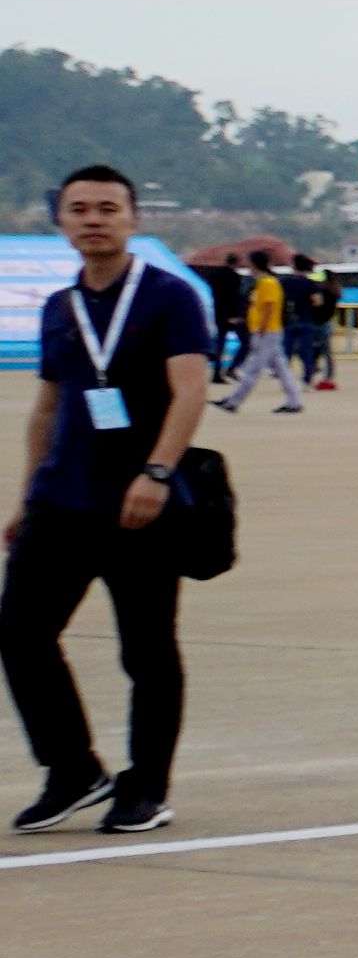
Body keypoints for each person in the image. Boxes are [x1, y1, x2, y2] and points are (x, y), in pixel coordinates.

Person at [9, 167, 214, 837]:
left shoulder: (169, 296)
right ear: (61, 222)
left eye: (107, 208)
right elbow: (47, 407)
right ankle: (72, 769)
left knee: (147, 649)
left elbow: (189, 391)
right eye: (79, 209)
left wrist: (157, 472)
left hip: (140, 503)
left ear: (133, 218)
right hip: (62, 500)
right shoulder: (60, 307)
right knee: (19, 633)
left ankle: (146, 787)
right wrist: (27, 494)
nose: (93, 219)